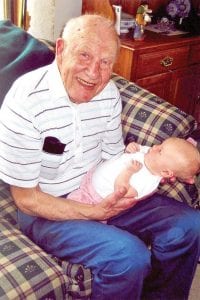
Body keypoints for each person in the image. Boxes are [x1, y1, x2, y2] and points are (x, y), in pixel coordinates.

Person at [0, 14, 200, 300]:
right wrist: (94, 213)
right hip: (47, 207)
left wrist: (142, 172)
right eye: (84, 54)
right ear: (60, 49)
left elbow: (113, 157)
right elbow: (26, 200)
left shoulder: (109, 95)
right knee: (127, 257)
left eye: (106, 62)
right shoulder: (25, 102)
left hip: (102, 187)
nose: (94, 72)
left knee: (189, 225)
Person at [68, 137, 200, 205]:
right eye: (160, 144)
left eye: (160, 150)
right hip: (91, 177)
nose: (154, 146)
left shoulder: (147, 182)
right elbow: (140, 149)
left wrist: (129, 171)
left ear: (166, 172)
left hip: (94, 196)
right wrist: (132, 147)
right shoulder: (151, 156)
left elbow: (120, 191)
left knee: (70, 209)